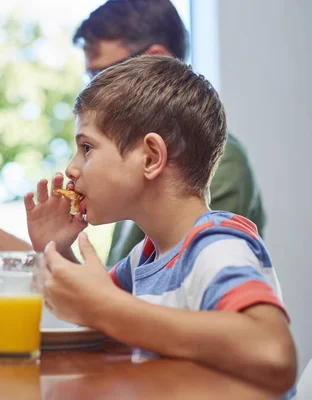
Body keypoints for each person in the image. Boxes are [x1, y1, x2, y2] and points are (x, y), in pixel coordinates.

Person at [25, 55, 296, 397]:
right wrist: (57, 250)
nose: (71, 168)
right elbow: (94, 312)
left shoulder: (216, 245)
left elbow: (274, 353)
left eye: (87, 148)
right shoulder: (147, 257)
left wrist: (108, 308)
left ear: (151, 158)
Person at [0, 0, 265, 266]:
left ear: (157, 58)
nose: (94, 89)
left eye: (104, 74)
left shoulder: (219, 173)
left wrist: (26, 257)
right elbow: (124, 301)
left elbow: (125, 307)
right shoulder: (142, 251)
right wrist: (51, 251)